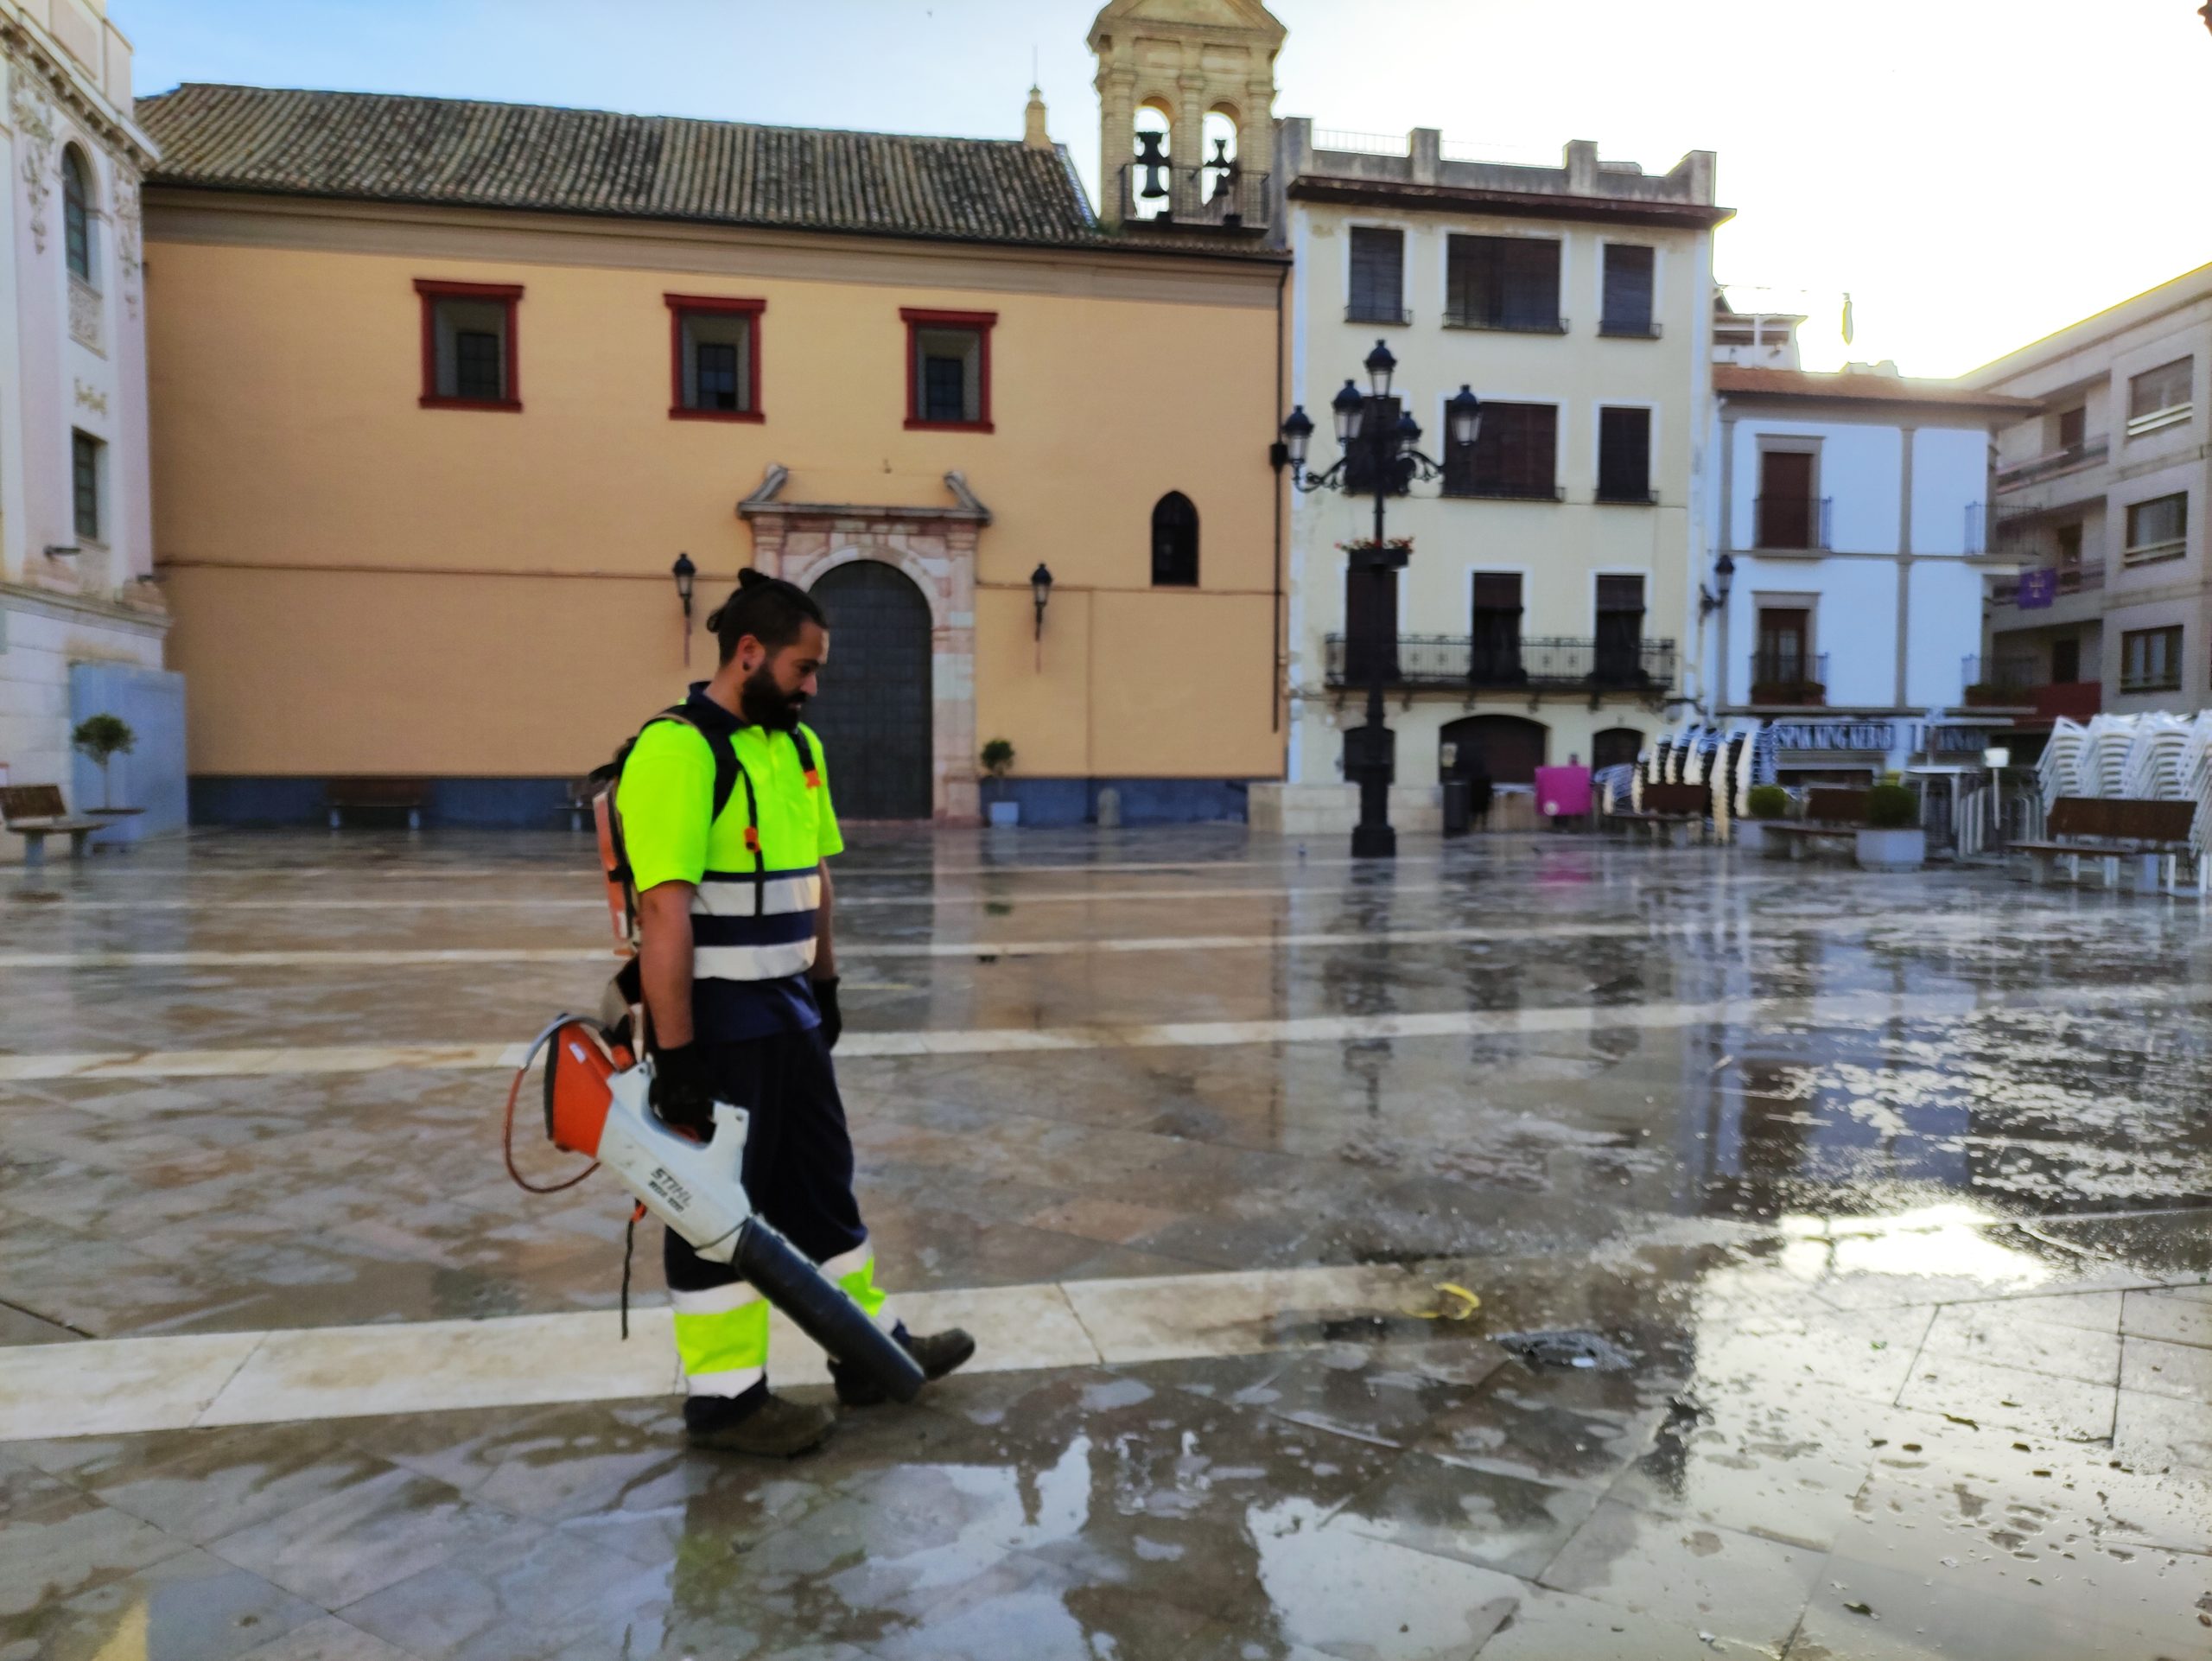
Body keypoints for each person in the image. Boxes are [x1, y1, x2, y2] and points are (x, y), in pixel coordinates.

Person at [618, 570, 974, 1456]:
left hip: (787, 1011)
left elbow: (818, 876)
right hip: (717, 1021)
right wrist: (678, 1054)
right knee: (714, 1207)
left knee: (821, 1185)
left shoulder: (795, 747)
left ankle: (865, 1349)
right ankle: (727, 1400)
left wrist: (825, 983)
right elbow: (662, 911)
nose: (815, 686)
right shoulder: (676, 751)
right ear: (749, 654)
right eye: (804, 667)